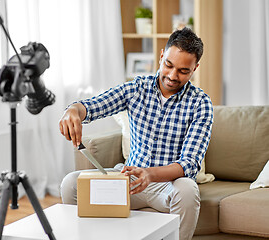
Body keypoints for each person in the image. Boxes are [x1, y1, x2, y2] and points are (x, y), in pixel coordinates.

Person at [58, 27, 213, 240]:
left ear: (195, 68)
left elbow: (189, 163)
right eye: (168, 65)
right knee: (71, 184)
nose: (172, 76)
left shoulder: (200, 103)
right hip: (129, 181)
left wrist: (150, 174)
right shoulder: (137, 88)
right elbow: (93, 106)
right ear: (161, 56)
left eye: (183, 71)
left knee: (187, 190)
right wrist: (72, 111)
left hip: (168, 186)